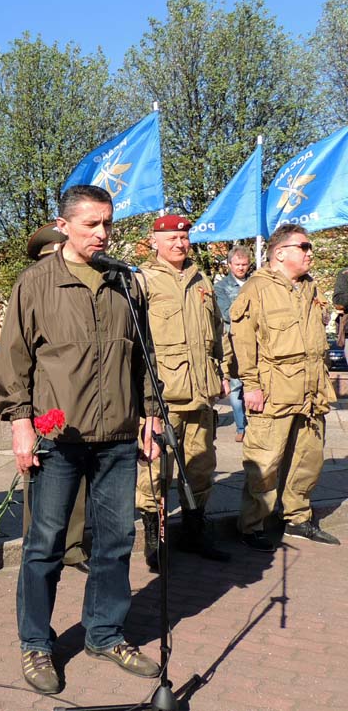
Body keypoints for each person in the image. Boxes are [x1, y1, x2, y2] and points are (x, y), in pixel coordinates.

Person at [0, 185, 162, 695]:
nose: (103, 233)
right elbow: (14, 360)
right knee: (44, 546)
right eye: (91, 224)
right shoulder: (36, 282)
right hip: (57, 438)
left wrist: (151, 415)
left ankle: (104, 632)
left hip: (116, 437)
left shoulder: (126, 283)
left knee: (115, 542)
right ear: (64, 226)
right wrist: (20, 422)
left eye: (107, 223)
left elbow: (144, 356)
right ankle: (35, 644)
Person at [230, 225, 340, 551]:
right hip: (273, 390)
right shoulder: (257, 288)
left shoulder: (309, 287)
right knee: (264, 462)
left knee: (308, 458)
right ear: (280, 252)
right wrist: (250, 385)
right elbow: (244, 342)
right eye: (303, 246)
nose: (310, 252)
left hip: (311, 390)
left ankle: (298, 518)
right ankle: (252, 526)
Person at [135, 215, 231, 571]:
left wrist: (220, 372)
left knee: (200, 467)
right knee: (155, 473)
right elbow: (136, 343)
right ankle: (154, 542)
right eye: (172, 237)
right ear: (154, 241)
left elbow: (217, 333)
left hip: (200, 393)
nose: (180, 243)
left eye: (184, 237)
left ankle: (194, 533)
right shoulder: (142, 281)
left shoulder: (202, 279)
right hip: (162, 398)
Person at [21, 224, 90, 575]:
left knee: (76, 480)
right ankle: (39, 543)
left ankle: (73, 546)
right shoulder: (32, 289)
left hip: (79, 399)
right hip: (43, 401)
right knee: (41, 477)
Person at [214, 245, 253, 441]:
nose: (241, 268)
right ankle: (241, 427)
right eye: (237, 264)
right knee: (237, 386)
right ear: (229, 265)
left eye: (244, 264)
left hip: (254, 342)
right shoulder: (221, 287)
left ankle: (253, 425)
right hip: (233, 342)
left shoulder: (255, 283)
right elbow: (226, 313)